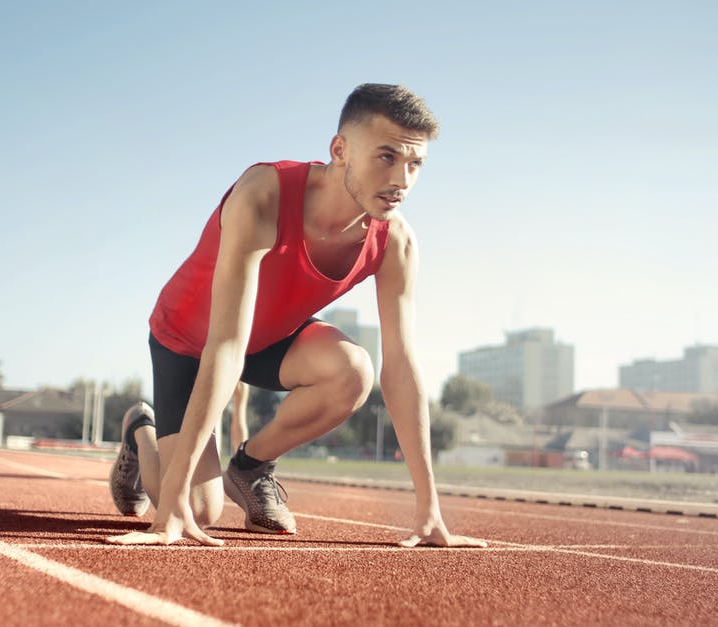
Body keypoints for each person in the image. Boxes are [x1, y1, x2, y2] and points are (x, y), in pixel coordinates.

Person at [108, 83, 485, 548]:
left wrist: (429, 510)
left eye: (416, 164)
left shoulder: (396, 242)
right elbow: (225, 344)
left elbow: (402, 366)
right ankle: (141, 433)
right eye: (387, 157)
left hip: (268, 341)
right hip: (188, 341)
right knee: (199, 510)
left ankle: (249, 468)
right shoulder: (263, 194)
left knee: (353, 371)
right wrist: (171, 505)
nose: (402, 180)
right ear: (340, 149)